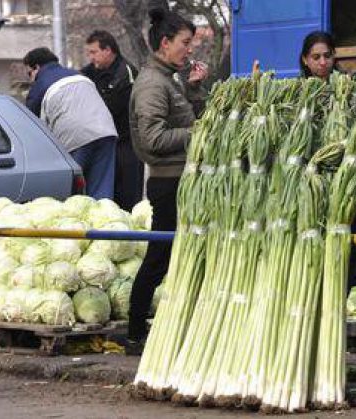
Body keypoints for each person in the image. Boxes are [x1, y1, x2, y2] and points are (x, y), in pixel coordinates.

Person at [126, 7, 208, 355]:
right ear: (165, 43)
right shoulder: (151, 84)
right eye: (185, 43)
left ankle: (155, 326)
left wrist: (195, 91)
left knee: (177, 255)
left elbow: (185, 117)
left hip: (182, 180)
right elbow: (153, 139)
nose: (190, 50)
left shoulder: (170, 78)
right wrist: (198, 133)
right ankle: (134, 331)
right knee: (159, 256)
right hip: (168, 183)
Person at [300, 30, 356, 303]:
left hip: (350, 179)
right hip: (316, 184)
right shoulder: (298, 94)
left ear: (334, 56)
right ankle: (325, 303)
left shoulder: (353, 87)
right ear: (305, 60)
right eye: (316, 57)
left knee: (355, 241)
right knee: (321, 242)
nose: (322, 62)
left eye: (327, 55)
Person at [23, 47, 118, 200]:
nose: (30, 79)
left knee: (73, 195)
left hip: (75, 138)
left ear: (37, 67)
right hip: (106, 131)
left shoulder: (40, 85)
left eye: (29, 73)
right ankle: (104, 223)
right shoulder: (79, 75)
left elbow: (29, 123)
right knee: (102, 192)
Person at [82, 30, 144, 211]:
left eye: (94, 52)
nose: (91, 58)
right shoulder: (92, 72)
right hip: (105, 143)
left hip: (127, 145)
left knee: (127, 196)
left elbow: (110, 108)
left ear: (108, 50)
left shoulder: (126, 73)